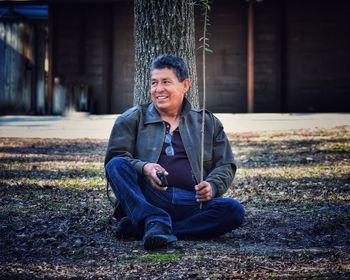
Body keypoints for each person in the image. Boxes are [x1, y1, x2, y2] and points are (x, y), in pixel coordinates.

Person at [105, 54, 244, 250]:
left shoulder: (207, 122)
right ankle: (152, 217)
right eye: (154, 83)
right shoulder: (131, 119)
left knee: (233, 211)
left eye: (166, 82)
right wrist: (145, 168)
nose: (158, 89)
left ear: (185, 85)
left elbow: (225, 165)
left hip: (192, 202)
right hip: (148, 197)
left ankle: (153, 228)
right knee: (116, 165)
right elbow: (116, 158)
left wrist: (212, 186)